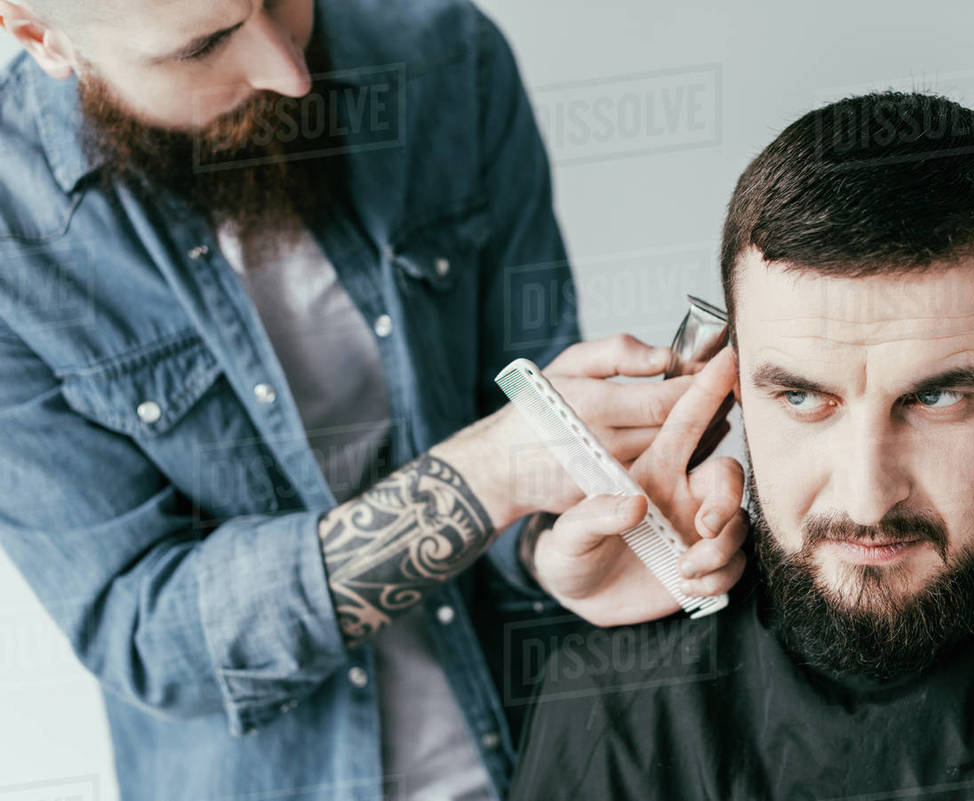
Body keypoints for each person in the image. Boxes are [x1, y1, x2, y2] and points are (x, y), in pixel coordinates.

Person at [0, 1, 748, 800]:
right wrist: (482, 476)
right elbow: (145, 631)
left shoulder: (445, 56)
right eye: (208, 43)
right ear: (41, 36)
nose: (289, 72)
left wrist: (559, 551)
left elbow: (527, 412)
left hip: (544, 760)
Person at [509, 92, 974, 800]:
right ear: (734, 380)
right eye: (803, 396)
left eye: (936, 397)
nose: (867, 496)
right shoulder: (617, 702)